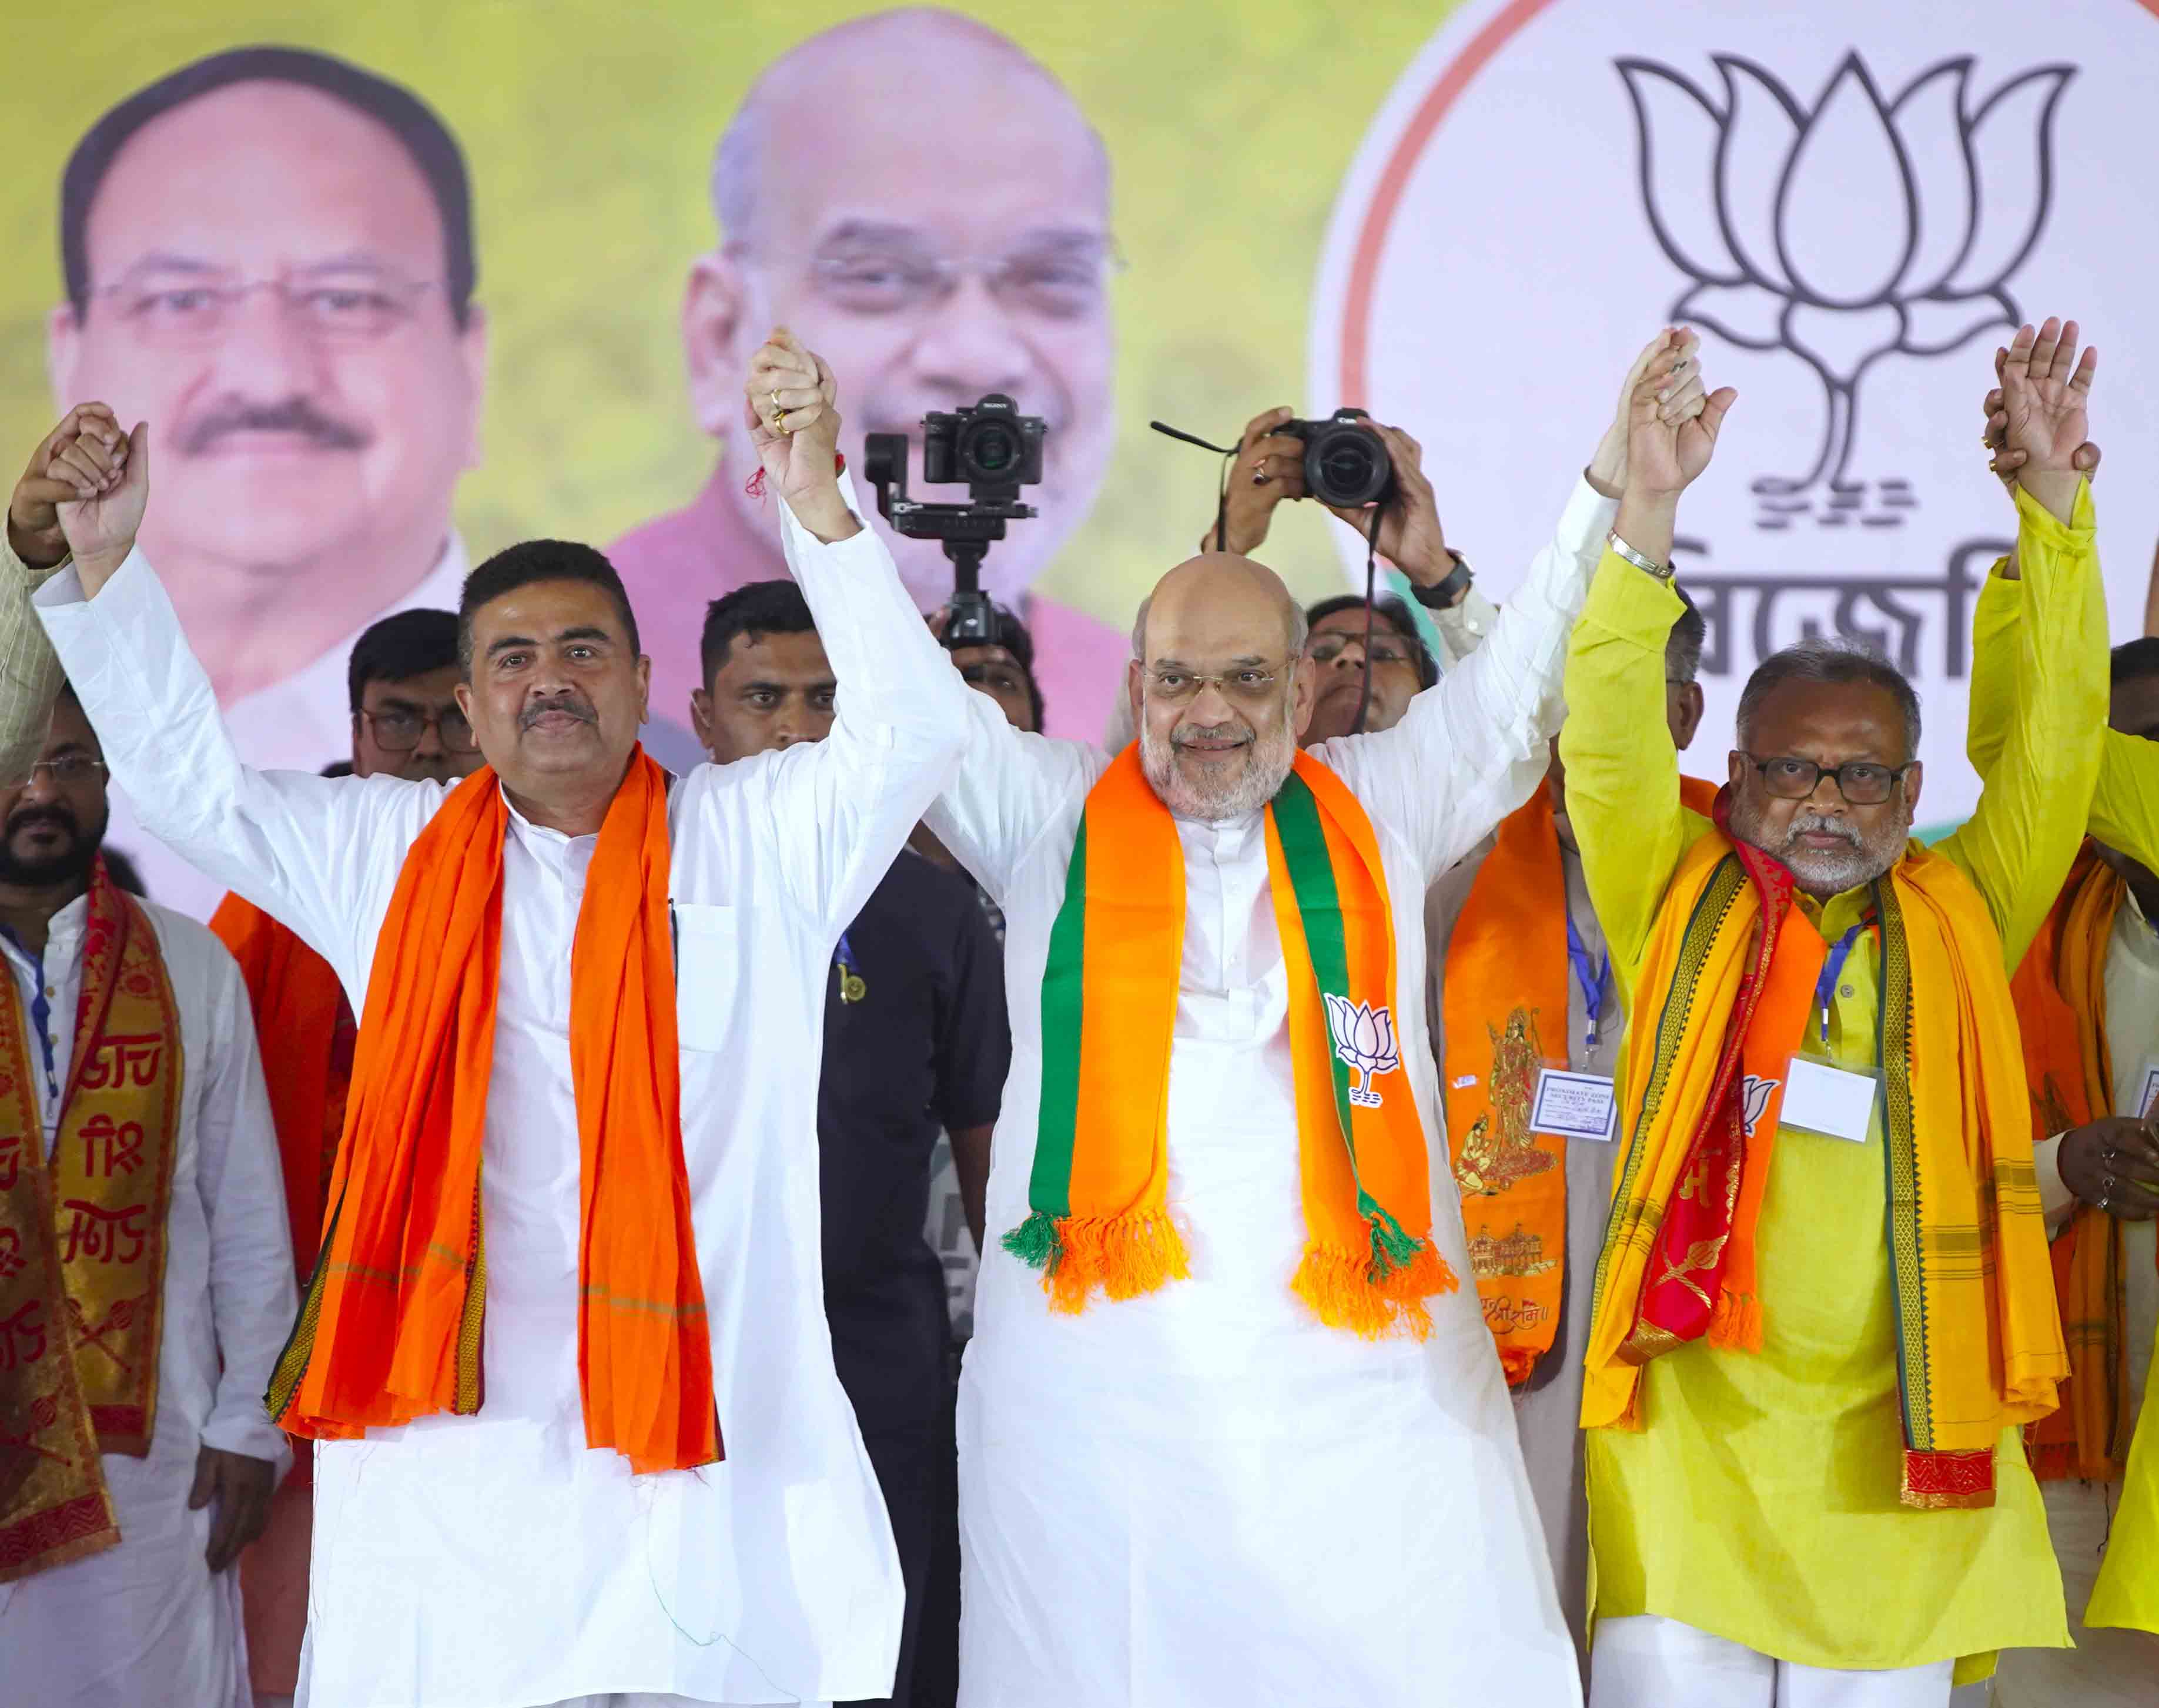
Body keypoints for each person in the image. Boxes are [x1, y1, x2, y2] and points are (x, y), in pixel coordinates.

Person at [21, 327, 973, 1706]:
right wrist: (104, 563)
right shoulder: (388, 855)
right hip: (458, 1457)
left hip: (692, 1448)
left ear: (645, 685)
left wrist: (820, 502)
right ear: (469, 705)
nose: (549, 678)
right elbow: (188, 793)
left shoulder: (756, 838)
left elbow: (909, 737)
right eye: (513, 656)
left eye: (584, 649)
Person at [822, 330, 1701, 1707]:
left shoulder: (1382, 801)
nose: (1208, 714)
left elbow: (1527, 677)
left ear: (1300, 689)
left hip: (1364, 1391)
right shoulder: (1045, 814)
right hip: (1097, 1406)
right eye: (1175, 680)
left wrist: (1620, 492)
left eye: (1244, 680)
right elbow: (897, 691)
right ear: (1135, 691)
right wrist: (814, 500)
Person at [1562, 317, 2104, 1707]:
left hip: (1902, 1456)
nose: (1821, 801)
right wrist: (1644, 510)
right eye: (1790, 769)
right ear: (1732, 772)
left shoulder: (1961, 909)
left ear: (1908, 796)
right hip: (1688, 1453)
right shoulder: (1663, 885)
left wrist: (2049, 512)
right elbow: (1607, 726)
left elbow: (2051, 745)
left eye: (1859, 777)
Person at [610, 7, 1123, 763]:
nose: (977, 358)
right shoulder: (595, 678)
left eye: (1052, 277)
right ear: (720, 338)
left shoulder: (1133, 706)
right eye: (880, 277)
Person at [49, 45, 487, 916]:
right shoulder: (21, 752)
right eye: (180, 302)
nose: (266, 375)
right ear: (70, 358)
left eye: (347, 299)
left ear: (471, 363)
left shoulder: (643, 790)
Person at [694, 578, 1007, 1708]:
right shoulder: (652, 886)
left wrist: (1011, 1357)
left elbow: (986, 1155)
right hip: (692, 1355)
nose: (793, 727)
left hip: (876, 1348)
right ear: (700, 715)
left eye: (825, 699)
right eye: (761, 697)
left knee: (883, 1655)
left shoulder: (930, 912)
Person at [1424, 588, 1707, 1673]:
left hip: (1680, 1341)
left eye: (1611, 705)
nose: (1572, 739)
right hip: (1501, 1340)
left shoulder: (1734, 881)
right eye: (1557, 705)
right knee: (1504, 1611)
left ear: (1678, 715)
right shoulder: (1452, 878)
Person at [0, 679, 297, 1707]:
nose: (41, 790)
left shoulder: (188, 962)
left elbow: (245, 1209)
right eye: (18, 765)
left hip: (153, 1455)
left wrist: (251, 1420)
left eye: (72, 765)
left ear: (109, 779)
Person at [208, 604, 481, 1706]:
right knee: (300, 1646)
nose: (424, 750)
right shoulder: (274, 902)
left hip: (472, 1334)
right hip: (302, 1343)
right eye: (397, 722)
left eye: (448, 722)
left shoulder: (555, 880)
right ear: (356, 730)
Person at [1972, 391, 2159, 1701]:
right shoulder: (2017, 914)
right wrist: (2067, 1167)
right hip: (2071, 1439)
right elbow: (2030, 743)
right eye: (2136, 736)